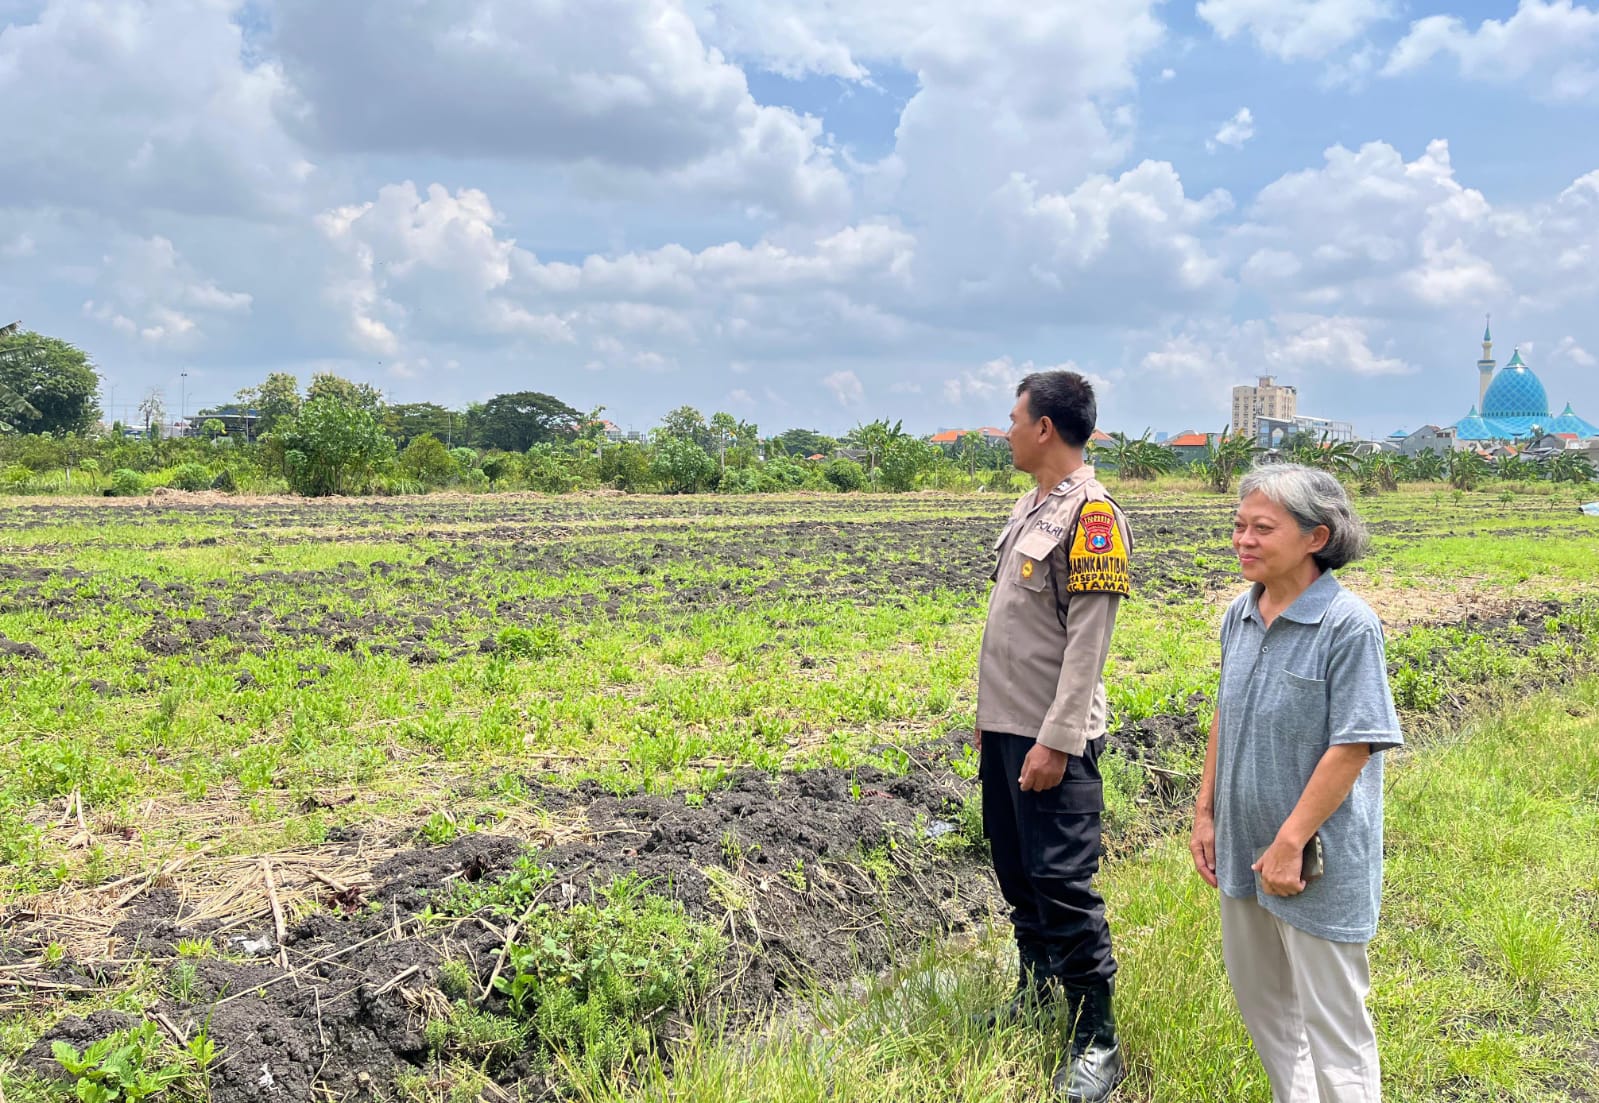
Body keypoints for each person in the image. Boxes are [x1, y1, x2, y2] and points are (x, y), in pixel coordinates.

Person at [1190, 464, 1402, 1103]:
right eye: (1239, 526)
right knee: (1269, 1016)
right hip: (1243, 847)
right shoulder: (1241, 612)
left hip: (1314, 860)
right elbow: (1227, 710)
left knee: (1335, 1030)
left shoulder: (1347, 624)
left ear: (1317, 537)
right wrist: (1206, 813)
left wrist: (1290, 842)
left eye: (1262, 528)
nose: (1243, 540)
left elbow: (1353, 745)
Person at [975, 370, 1131, 1102]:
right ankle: (1036, 994)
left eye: (1014, 419)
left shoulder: (1093, 516)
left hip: (1051, 737)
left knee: (1062, 884)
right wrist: (991, 722)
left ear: (1044, 427)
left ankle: (1097, 1036)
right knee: (1018, 874)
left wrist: (1056, 740)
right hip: (1008, 726)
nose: (1006, 430)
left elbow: (1087, 645)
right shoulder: (1031, 504)